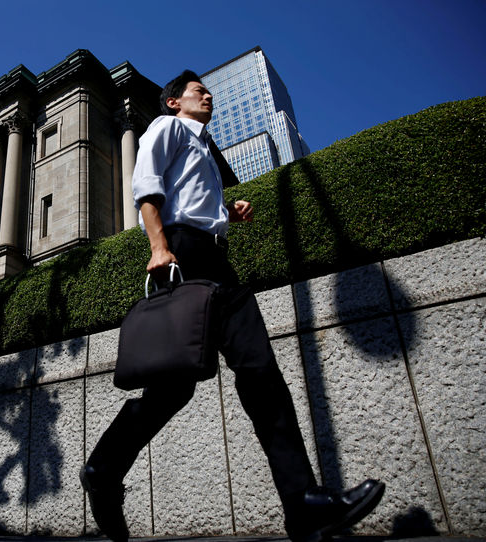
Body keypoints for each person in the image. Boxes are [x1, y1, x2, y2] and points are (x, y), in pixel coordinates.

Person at [80, 70, 385, 542]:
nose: (209, 96)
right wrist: (159, 248)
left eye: (208, 92)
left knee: (258, 373)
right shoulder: (167, 128)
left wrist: (226, 213)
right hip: (182, 257)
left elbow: (194, 200)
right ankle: (103, 471)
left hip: (216, 259)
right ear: (173, 103)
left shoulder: (202, 147)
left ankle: (302, 503)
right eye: (199, 92)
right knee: (175, 390)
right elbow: (147, 187)